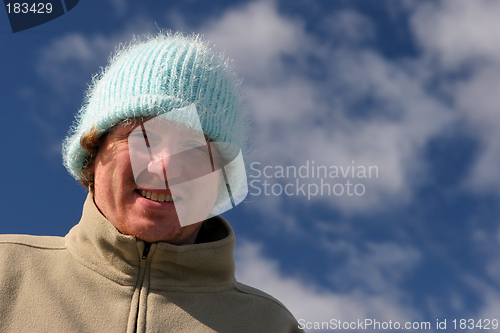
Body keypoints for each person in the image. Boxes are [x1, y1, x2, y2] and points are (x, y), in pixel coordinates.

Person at [0, 33, 304, 332]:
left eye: (195, 151)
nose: (164, 166)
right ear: (93, 153)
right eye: (144, 139)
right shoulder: (5, 271)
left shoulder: (272, 325)